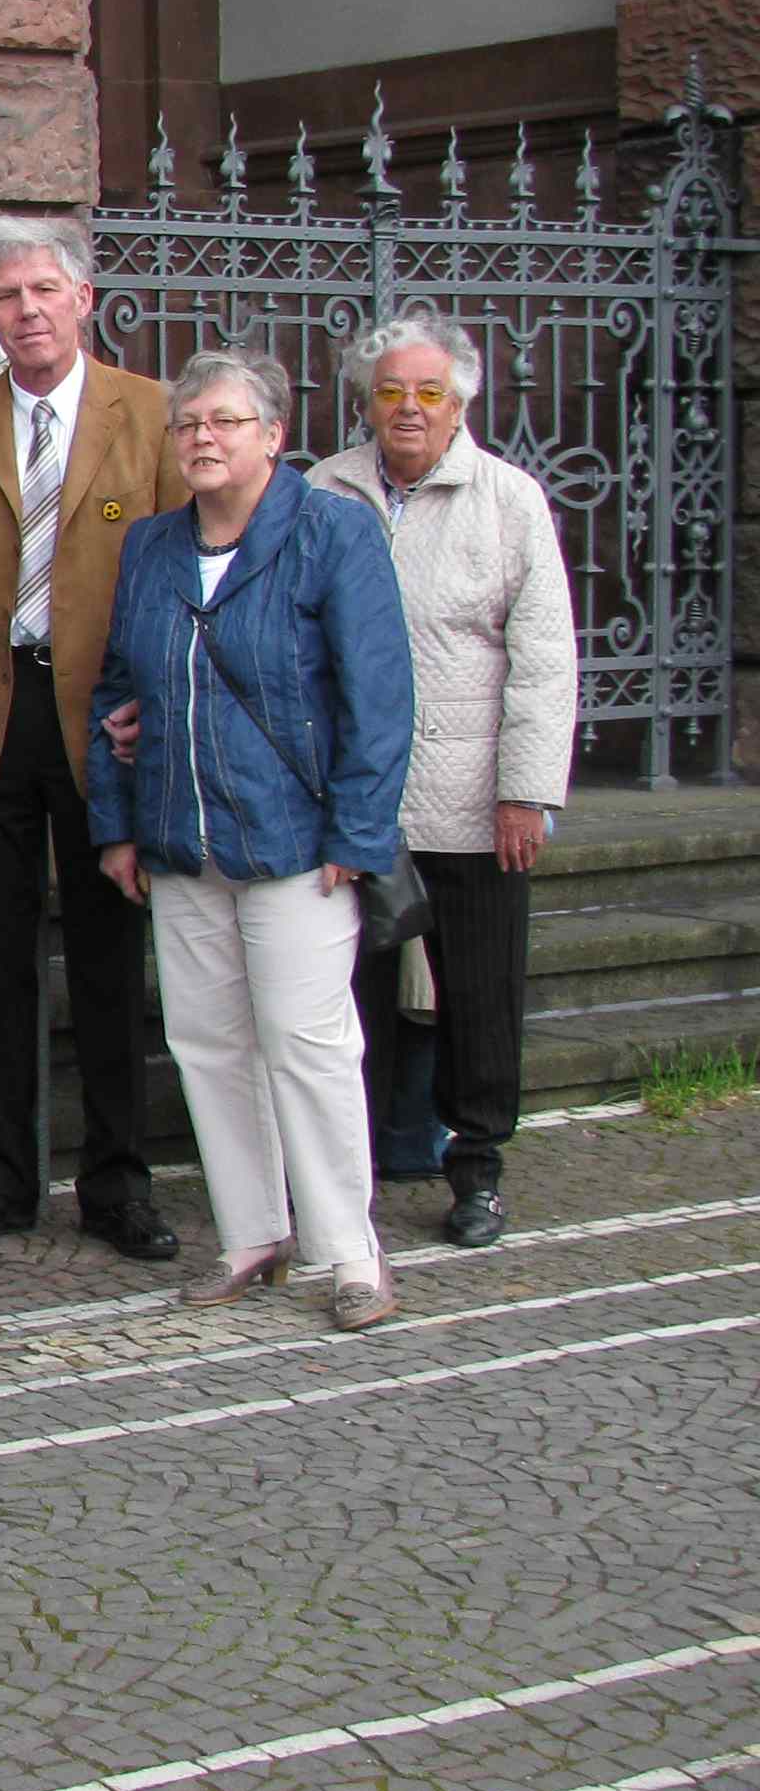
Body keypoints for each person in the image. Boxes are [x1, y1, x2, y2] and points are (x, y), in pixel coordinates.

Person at [89, 347, 414, 1330]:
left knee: (309, 1046)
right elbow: (116, 690)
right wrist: (117, 827)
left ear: (273, 435)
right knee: (208, 1045)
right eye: (189, 423)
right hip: (182, 839)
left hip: (294, 845)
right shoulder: (149, 545)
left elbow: (380, 696)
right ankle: (251, 1236)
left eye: (227, 421)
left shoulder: (331, 533)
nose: (203, 438)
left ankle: (351, 1254)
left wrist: (357, 832)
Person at [0, 217, 189, 1263]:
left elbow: (172, 573)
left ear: (84, 298)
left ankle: (120, 1181)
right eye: (7, 297)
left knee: (113, 960)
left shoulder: (152, 416)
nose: (27, 311)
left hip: (106, 716)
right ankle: (0, 1177)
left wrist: (153, 705)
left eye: (44, 290)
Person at [309, 309, 575, 1250]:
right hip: (358, 799)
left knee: (479, 991)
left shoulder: (509, 500)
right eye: (392, 392)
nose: (409, 409)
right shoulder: (323, 489)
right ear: (364, 401)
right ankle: (355, 1176)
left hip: (471, 796)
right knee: (355, 993)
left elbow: (544, 659)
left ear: (461, 401)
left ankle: (479, 1167)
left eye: (429, 393)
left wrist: (526, 790)